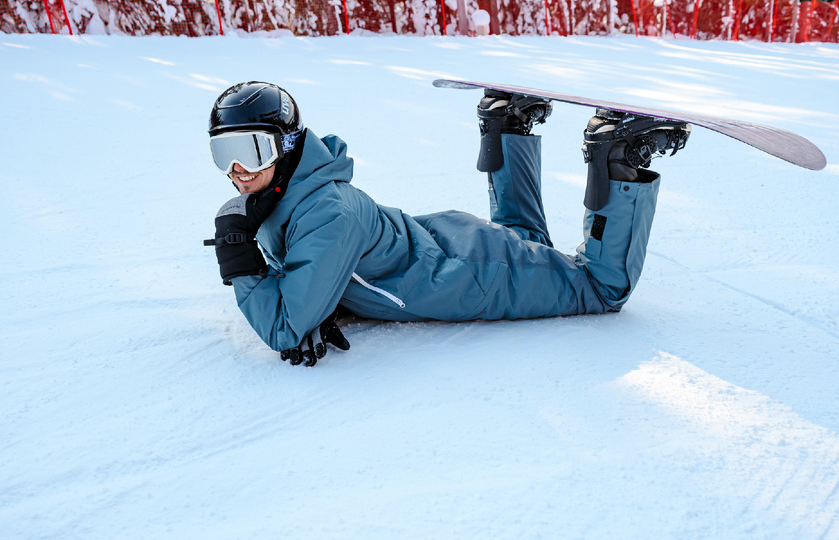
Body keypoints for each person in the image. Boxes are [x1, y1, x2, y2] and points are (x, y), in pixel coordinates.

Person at [205, 81, 689, 366]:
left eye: (252, 150)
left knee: (600, 288)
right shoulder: (289, 193)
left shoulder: (325, 212)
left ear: (287, 145)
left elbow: (284, 328)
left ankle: (619, 152)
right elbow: (304, 275)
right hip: (452, 249)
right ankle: (506, 123)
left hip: (464, 274)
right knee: (527, 245)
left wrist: (239, 257)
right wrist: (322, 300)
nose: (237, 170)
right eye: (223, 153)